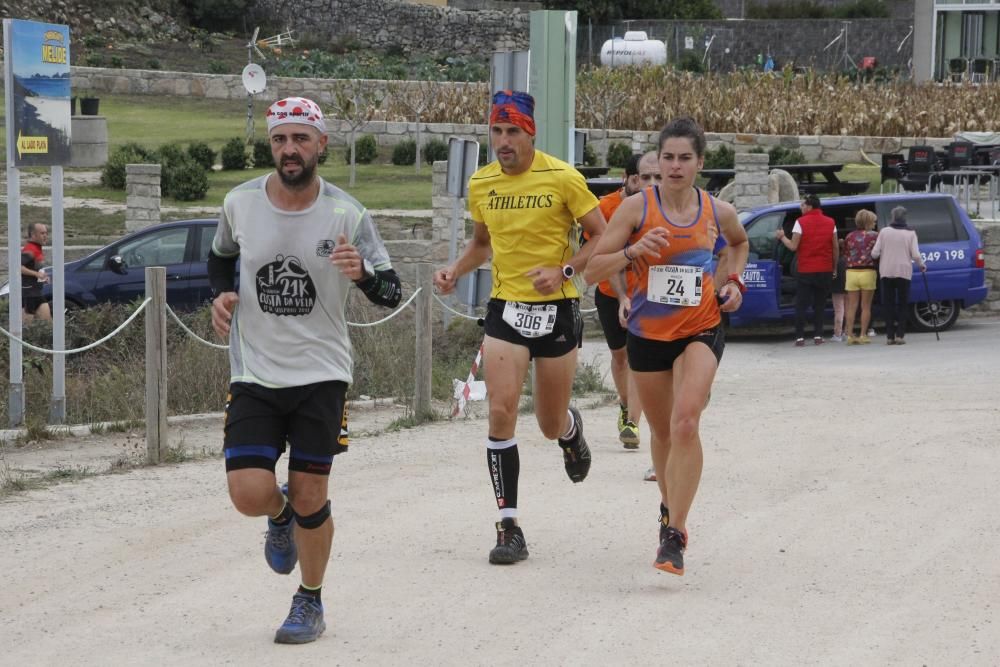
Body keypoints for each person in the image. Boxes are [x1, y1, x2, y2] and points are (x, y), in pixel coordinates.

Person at [208, 96, 402, 644]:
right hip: (255, 374)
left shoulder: (348, 214)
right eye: (279, 140)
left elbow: (391, 291)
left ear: (322, 145)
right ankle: (278, 516)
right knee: (248, 493)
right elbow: (220, 257)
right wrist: (222, 292)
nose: (289, 150)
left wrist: (363, 273)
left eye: (300, 139)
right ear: (270, 145)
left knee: (312, 493)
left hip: (321, 374)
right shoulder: (239, 203)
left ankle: (309, 601)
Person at [433, 90, 606, 566]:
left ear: (531, 133)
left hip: (557, 310)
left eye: (513, 131)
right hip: (506, 309)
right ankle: (508, 526)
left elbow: (603, 232)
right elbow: (482, 244)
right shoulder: (482, 182)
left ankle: (571, 431)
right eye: (497, 131)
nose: (503, 141)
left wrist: (565, 271)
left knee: (548, 424)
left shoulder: (563, 177)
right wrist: (455, 270)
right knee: (501, 411)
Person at [585, 116, 749, 576]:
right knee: (660, 433)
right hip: (647, 334)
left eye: (685, 158)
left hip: (701, 326)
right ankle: (667, 507)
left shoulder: (718, 212)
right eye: (668, 158)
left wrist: (731, 281)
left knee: (685, 422)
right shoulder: (636, 210)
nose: (675, 167)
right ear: (658, 160)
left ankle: (675, 532)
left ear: (700, 162)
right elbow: (593, 270)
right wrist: (635, 252)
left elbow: (738, 245)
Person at [590, 151, 661, 450]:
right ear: (629, 179)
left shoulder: (661, 207)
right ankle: (624, 405)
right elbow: (607, 257)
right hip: (610, 292)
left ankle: (632, 421)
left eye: (655, 178)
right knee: (620, 357)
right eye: (642, 178)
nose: (649, 185)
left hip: (647, 293)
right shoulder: (607, 207)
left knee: (637, 357)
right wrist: (621, 297)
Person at [775, 194, 838, 346]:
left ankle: (800, 337)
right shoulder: (831, 222)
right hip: (824, 269)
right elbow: (835, 248)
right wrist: (834, 268)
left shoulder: (800, 222)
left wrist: (782, 237)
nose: (800, 207)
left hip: (806, 269)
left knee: (802, 304)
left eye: (802, 205)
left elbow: (793, 246)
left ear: (809, 206)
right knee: (820, 304)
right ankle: (818, 335)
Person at [871, 206, 926, 345]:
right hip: (904, 272)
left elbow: (874, 253)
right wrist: (921, 264)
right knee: (903, 304)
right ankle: (900, 335)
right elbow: (915, 255)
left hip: (886, 272)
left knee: (888, 304)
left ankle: (889, 336)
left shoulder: (884, 232)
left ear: (893, 217)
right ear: (905, 218)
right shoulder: (911, 233)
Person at [842, 209, 879, 345]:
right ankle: (863, 334)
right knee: (866, 306)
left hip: (851, 273)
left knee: (851, 306)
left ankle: (850, 335)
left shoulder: (849, 236)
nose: (875, 224)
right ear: (869, 222)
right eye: (874, 221)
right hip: (868, 272)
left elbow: (845, 254)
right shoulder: (875, 236)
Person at [20, 223, 52, 323]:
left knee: (49, 326)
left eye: (46, 233)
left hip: (37, 293)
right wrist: (36, 274)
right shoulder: (30, 250)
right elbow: (18, 267)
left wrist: (43, 276)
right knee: (25, 330)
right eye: (42, 233)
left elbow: (34, 267)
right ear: (33, 235)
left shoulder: (37, 248)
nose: (45, 236)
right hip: (28, 295)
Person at [830, 238, 847, 341]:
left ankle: (837, 334)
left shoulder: (834, 261)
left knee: (839, 311)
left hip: (837, 289)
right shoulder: (848, 259)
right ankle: (847, 332)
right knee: (848, 310)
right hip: (849, 287)